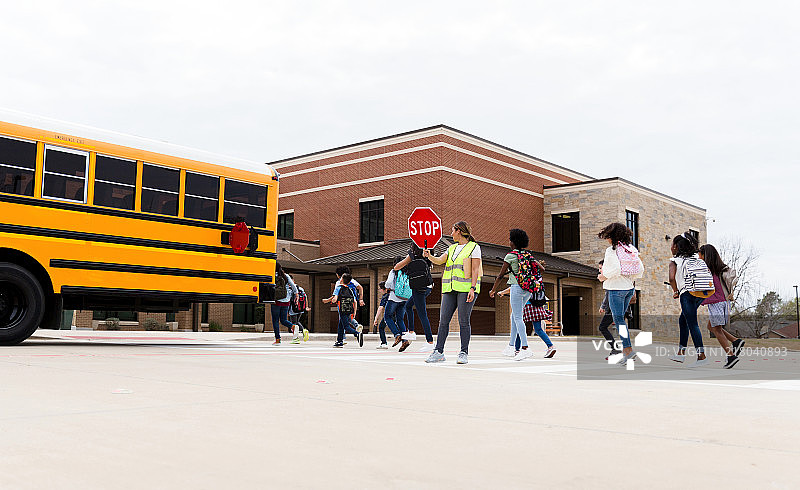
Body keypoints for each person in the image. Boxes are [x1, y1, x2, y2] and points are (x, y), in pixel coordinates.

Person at [424, 221, 482, 365]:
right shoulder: (451, 248)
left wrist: (472, 288)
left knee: (463, 321)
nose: (451, 233)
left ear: (459, 231)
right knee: (443, 321)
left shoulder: (474, 247)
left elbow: (475, 270)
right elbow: (439, 261)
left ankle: (463, 353)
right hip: (449, 289)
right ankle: (438, 352)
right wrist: (429, 256)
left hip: (466, 289)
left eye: (452, 230)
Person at [489, 228, 539, 361]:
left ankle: (525, 348)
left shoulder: (510, 256)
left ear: (514, 242)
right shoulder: (528, 255)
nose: (509, 242)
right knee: (514, 316)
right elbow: (541, 268)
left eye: (510, 239)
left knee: (518, 317)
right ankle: (511, 346)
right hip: (528, 289)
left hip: (517, 288)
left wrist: (493, 290)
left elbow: (500, 276)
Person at [597, 223, 641, 366]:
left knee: (619, 321)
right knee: (621, 320)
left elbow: (613, 270)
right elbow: (640, 270)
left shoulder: (612, 250)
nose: (607, 239)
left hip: (616, 289)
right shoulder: (630, 249)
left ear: (612, 236)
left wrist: (603, 276)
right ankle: (626, 352)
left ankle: (628, 351)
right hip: (628, 288)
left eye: (608, 236)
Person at [699, 244, 744, 368]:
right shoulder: (719, 269)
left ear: (705, 255)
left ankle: (731, 356)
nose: (699, 256)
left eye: (700, 254)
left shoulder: (708, 271)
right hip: (724, 303)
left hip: (716, 304)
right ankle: (736, 341)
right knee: (711, 326)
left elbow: (707, 289)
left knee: (717, 330)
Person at [668, 232, 708, 367]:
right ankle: (680, 353)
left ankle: (701, 356)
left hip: (687, 293)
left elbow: (672, 278)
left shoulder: (675, 261)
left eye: (672, 244)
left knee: (692, 323)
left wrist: (675, 291)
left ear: (676, 247)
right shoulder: (696, 259)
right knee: (683, 320)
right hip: (700, 292)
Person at [393, 242, 435, 352]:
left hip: (418, 287)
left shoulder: (413, 256)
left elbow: (397, 267)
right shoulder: (428, 254)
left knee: (422, 314)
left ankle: (430, 341)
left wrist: (408, 260)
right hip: (428, 286)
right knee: (408, 306)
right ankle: (411, 332)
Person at [497, 287, 556, 358]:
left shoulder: (522, 277)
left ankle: (517, 350)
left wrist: (502, 292)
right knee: (538, 329)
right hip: (537, 305)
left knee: (519, 327)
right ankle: (550, 346)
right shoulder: (534, 278)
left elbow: (513, 287)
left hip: (526, 305)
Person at [323, 273, 364, 348]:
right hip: (349, 310)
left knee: (346, 326)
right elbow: (354, 301)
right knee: (340, 325)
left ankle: (357, 333)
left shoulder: (338, 287)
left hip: (342, 310)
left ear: (341, 279)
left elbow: (335, 298)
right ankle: (339, 341)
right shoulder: (350, 289)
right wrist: (354, 312)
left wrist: (331, 300)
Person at [384, 257, 411, 352]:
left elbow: (388, 283)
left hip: (394, 297)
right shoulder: (408, 271)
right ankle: (405, 340)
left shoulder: (394, 271)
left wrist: (387, 287)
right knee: (400, 320)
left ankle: (397, 335)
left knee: (387, 317)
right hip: (405, 298)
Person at [270, 263, 299, 345]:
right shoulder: (285, 276)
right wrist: (296, 294)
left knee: (275, 320)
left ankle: (278, 339)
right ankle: (293, 326)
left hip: (276, 300)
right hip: (286, 300)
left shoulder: (272, 275)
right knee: (283, 320)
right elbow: (293, 285)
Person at [334, 266, 366, 335]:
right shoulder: (352, 281)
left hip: (342, 304)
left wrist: (329, 300)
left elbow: (336, 295)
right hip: (352, 302)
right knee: (347, 318)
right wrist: (361, 299)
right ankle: (355, 327)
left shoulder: (338, 283)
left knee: (343, 320)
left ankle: (354, 330)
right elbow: (360, 287)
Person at [372, 281, 390, 349]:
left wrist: (376, 318)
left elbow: (380, 308)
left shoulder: (385, 296)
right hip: (398, 313)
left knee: (381, 327)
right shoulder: (392, 294)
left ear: (384, 289)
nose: (379, 291)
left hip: (389, 315)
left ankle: (384, 343)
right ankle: (405, 339)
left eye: (379, 289)